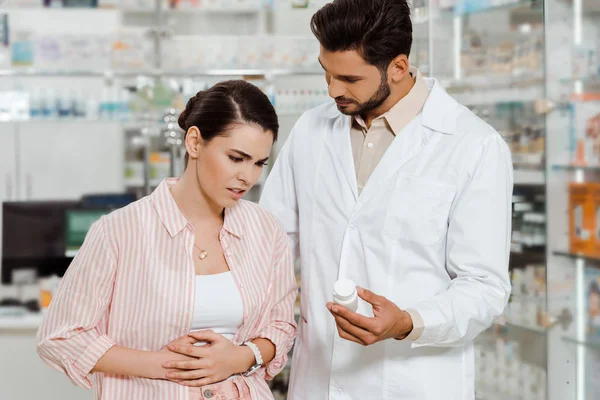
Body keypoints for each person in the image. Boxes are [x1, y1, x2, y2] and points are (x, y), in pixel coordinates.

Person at [259, 0, 513, 399]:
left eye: (348, 78)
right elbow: (267, 243)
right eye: (325, 74)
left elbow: (484, 286)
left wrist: (407, 322)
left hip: (412, 381)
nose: (332, 90)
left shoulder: (473, 145)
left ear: (398, 67)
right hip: (318, 378)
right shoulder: (311, 129)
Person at [37, 80, 298, 400]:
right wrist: (162, 364)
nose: (248, 177)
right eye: (236, 157)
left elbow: (282, 326)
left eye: (259, 163)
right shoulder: (119, 231)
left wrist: (241, 357)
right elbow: (61, 337)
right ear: (194, 142)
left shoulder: (266, 231)